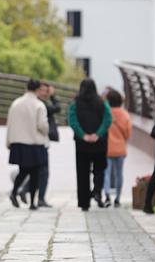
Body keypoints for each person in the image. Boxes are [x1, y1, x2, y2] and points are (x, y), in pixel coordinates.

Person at [68, 78, 112, 211]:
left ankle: (84, 202)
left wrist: (83, 135)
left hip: (82, 144)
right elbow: (108, 119)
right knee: (99, 169)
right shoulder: (102, 102)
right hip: (100, 143)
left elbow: (72, 120)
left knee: (82, 172)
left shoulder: (75, 103)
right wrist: (98, 134)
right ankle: (97, 191)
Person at [6, 79, 49, 210]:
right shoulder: (39, 105)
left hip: (18, 142)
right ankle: (32, 202)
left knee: (23, 170)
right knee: (36, 172)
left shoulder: (16, 103)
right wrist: (46, 132)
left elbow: (10, 124)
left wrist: (9, 141)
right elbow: (42, 125)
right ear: (37, 89)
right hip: (34, 143)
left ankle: (14, 193)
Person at [18, 81, 59, 207]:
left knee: (37, 171)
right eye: (42, 90)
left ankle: (26, 191)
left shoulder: (34, 103)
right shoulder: (39, 104)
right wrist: (53, 96)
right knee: (42, 171)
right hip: (38, 141)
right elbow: (56, 108)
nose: (45, 93)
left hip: (36, 141)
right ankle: (37, 197)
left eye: (46, 91)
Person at [104, 89, 131, 207]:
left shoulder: (105, 113)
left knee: (106, 173)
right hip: (120, 148)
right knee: (119, 174)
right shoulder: (125, 115)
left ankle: (107, 196)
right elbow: (128, 134)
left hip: (107, 148)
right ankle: (118, 198)